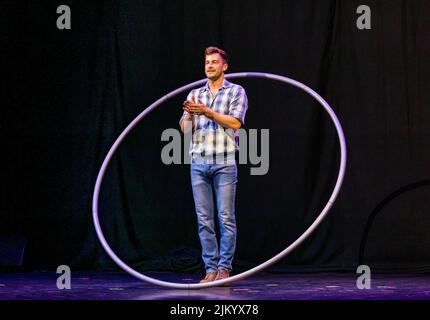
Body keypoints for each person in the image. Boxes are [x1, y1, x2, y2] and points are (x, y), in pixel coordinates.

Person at [179, 46, 248, 284]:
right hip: (198, 161)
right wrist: (189, 115)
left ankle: (224, 269)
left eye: (214, 62)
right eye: (207, 62)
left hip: (224, 161)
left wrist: (207, 112)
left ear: (224, 66)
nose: (209, 65)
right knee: (203, 219)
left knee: (226, 217)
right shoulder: (194, 95)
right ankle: (210, 269)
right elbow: (186, 132)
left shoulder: (236, 91)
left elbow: (235, 123)